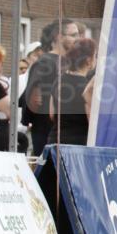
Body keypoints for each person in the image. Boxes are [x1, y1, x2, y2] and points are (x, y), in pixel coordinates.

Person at [22, 20, 80, 155]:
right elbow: (32, 100)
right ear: (59, 37)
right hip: (48, 133)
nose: (78, 39)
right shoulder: (44, 62)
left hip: (69, 133)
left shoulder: (72, 63)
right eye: (74, 35)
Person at [47, 38, 97, 145]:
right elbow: (92, 121)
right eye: (95, 56)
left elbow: (52, 114)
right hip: (78, 144)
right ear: (89, 60)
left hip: (55, 140)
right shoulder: (88, 88)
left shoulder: (58, 81)